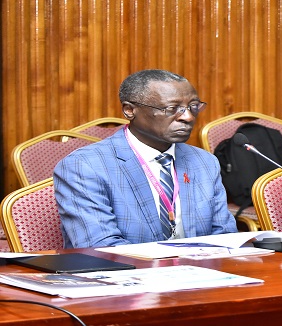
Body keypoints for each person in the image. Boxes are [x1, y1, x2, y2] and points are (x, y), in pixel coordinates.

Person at [54, 69, 237, 248]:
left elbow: (224, 235)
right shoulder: (85, 166)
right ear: (129, 110)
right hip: (121, 275)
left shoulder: (204, 162)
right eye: (171, 108)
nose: (188, 117)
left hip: (201, 273)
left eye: (193, 107)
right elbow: (100, 247)